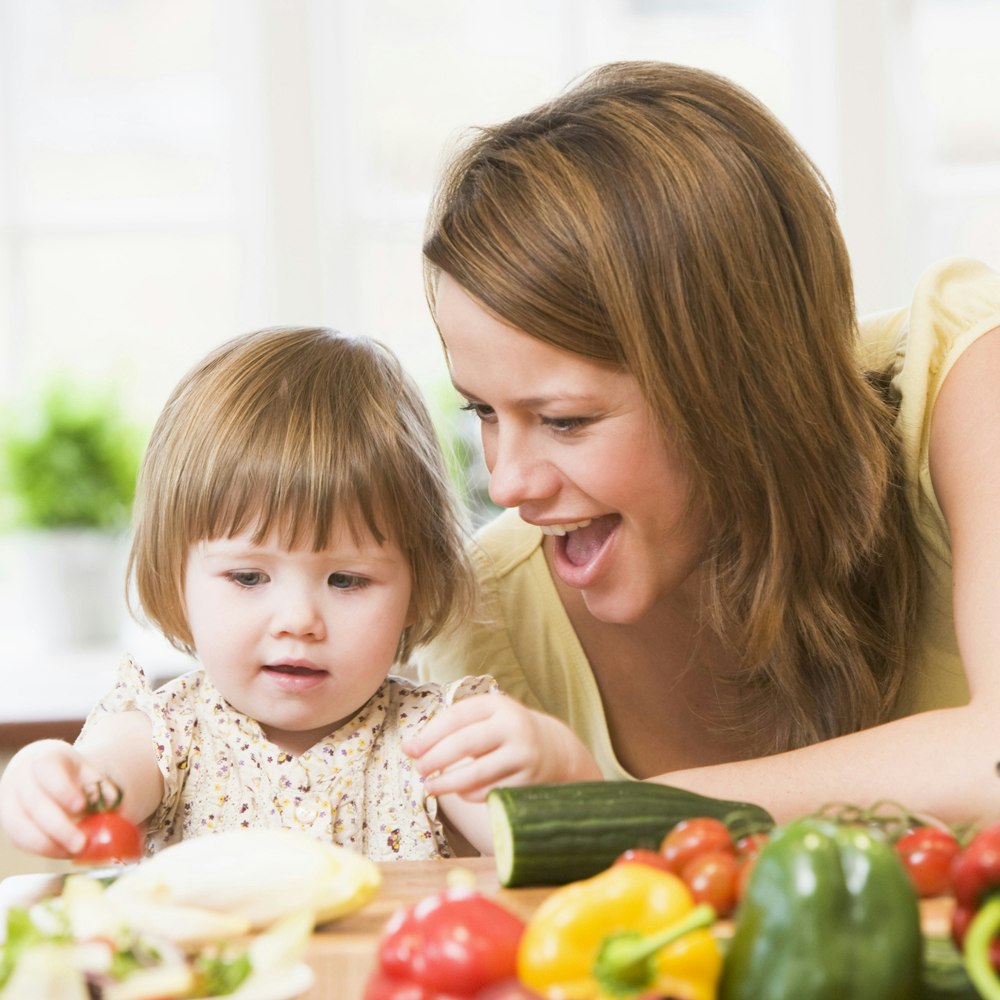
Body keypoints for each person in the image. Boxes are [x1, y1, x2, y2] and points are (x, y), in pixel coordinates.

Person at [410, 61, 1000, 827]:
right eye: (482, 411)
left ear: (735, 387)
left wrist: (621, 813)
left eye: (565, 421)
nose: (511, 484)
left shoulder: (961, 378)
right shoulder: (489, 624)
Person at [0, 327, 600, 862]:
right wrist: (46, 779)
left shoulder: (433, 741)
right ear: (175, 580)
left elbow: (557, 851)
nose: (298, 621)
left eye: (347, 580)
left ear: (417, 589)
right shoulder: (168, 735)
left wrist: (559, 766)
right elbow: (96, 783)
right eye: (248, 578)